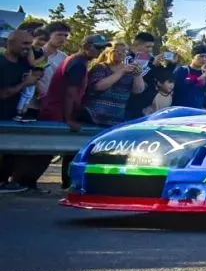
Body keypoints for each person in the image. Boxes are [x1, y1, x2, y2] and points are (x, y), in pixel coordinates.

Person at [38, 35, 111, 189]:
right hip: (57, 111)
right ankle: (25, 181)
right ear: (87, 46)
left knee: (52, 152)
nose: (100, 51)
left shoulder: (77, 60)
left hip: (57, 110)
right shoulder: (78, 63)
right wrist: (69, 118)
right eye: (98, 47)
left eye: (103, 48)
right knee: (44, 153)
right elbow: (70, 94)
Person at [0, 30, 41, 193]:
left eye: (30, 44)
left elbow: (37, 68)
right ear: (10, 43)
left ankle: (4, 181)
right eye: (24, 43)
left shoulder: (24, 63)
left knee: (11, 152)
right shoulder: (2, 63)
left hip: (13, 115)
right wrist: (25, 83)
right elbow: (3, 94)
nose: (28, 47)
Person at [81, 40, 146, 126]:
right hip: (93, 116)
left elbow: (138, 90)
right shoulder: (100, 67)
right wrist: (121, 72)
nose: (120, 53)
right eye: (116, 50)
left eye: (123, 51)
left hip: (116, 119)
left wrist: (138, 75)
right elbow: (98, 86)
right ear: (108, 52)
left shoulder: (129, 69)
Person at [171, 43, 206, 109]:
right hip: (179, 110)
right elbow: (182, 84)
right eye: (201, 56)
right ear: (193, 56)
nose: (204, 59)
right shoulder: (182, 70)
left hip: (197, 112)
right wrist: (199, 79)